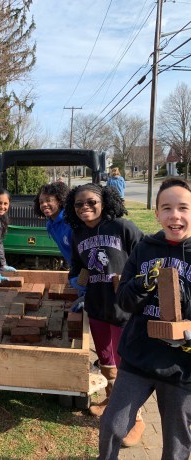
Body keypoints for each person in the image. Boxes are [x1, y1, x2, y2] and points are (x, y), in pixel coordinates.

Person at [98, 178, 191, 460]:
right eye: (167, 208)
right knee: (111, 426)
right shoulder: (145, 249)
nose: (175, 215)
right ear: (157, 214)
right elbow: (124, 300)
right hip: (139, 357)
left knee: (176, 445)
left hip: (181, 368)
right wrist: (142, 284)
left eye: (183, 208)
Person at [64, 183, 145, 446]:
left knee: (126, 362)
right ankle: (111, 397)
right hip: (97, 306)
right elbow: (76, 266)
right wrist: (76, 279)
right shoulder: (77, 234)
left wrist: (131, 280)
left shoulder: (122, 227)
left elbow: (146, 258)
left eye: (91, 202)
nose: (85, 207)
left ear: (104, 201)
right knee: (106, 358)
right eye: (78, 204)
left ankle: (135, 417)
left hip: (123, 308)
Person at [33, 181, 72, 265]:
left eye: (48, 200)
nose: (44, 204)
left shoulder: (70, 222)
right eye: (41, 202)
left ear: (60, 201)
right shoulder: (50, 225)